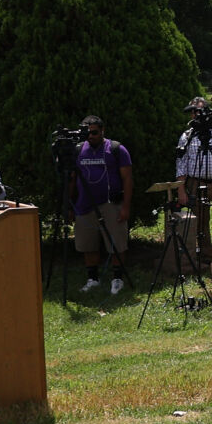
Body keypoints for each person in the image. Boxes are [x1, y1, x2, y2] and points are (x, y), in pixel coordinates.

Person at [70, 115, 132, 294]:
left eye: (95, 132)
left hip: (111, 203)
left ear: (102, 131)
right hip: (84, 205)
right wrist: (70, 205)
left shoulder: (116, 149)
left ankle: (117, 278)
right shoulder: (78, 150)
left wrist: (126, 206)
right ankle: (93, 279)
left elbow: (127, 179)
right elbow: (72, 180)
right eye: (87, 133)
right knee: (87, 244)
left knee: (117, 243)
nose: (91, 136)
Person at [173, 98, 212, 256]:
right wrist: (181, 191)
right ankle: (206, 253)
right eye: (193, 112)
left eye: (199, 111)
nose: (196, 115)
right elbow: (181, 164)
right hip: (195, 182)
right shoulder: (188, 135)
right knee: (200, 223)